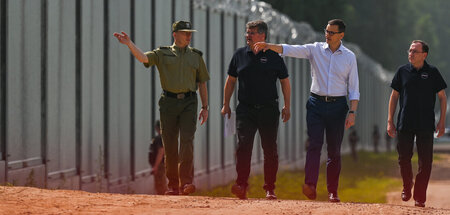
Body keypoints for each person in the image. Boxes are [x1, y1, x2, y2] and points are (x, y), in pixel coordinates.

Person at [254, 19, 359, 202]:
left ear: (341, 35)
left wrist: (352, 112)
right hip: (316, 104)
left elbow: (354, 87)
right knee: (314, 144)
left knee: (334, 150)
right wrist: (268, 46)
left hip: (337, 106)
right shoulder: (315, 49)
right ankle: (310, 185)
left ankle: (333, 191)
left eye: (331, 32)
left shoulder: (349, 57)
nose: (327, 35)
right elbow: (291, 49)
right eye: (326, 31)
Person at [114, 21, 210, 195]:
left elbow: (202, 82)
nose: (189, 36)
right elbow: (144, 58)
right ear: (175, 34)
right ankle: (173, 185)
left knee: (187, 140)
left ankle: (186, 182)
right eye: (184, 33)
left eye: (190, 33)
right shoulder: (162, 53)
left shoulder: (196, 56)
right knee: (170, 144)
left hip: (190, 102)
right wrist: (129, 44)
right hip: (169, 103)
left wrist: (205, 107)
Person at [221, 20, 291, 200]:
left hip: (268, 109)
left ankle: (270, 188)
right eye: (247, 32)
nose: (248, 36)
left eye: (251, 33)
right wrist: (225, 104)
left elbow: (285, 82)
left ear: (262, 35)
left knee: (270, 149)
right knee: (243, 147)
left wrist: (287, 105)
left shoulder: (274, 56)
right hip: (246, 109)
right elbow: (230, 81)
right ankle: (241, 185)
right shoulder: (239, 55)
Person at [387, 40, 447, 207]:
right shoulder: (402, 71)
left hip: (426, 124)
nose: (410, 54)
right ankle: (407, 185)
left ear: (424, 55)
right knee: (403, 158)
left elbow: (442, 98)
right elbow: (394, 96)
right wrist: (390, 120)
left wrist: (441, 122)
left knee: (425, 162)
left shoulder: (433, 72)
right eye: (410, 50)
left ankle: (420, 196)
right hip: (405, 122)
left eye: (415, 51)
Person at [149, 120, 167, 195]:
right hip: (160, 164)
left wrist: (156, 166)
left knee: (160, 184)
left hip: (160, 165)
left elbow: (161, 152)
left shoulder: (160, 138)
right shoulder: (163, 138)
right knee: (160, 183)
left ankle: (162, 199)